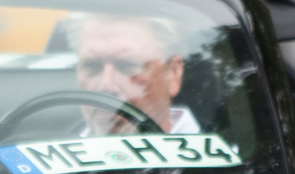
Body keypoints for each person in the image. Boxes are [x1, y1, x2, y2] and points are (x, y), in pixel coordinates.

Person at [71, 14, 200, 136]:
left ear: (173, 74)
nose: (106, 86)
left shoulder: (216, 153)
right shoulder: (54, 150)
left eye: (127, 66)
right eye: (91, 66)